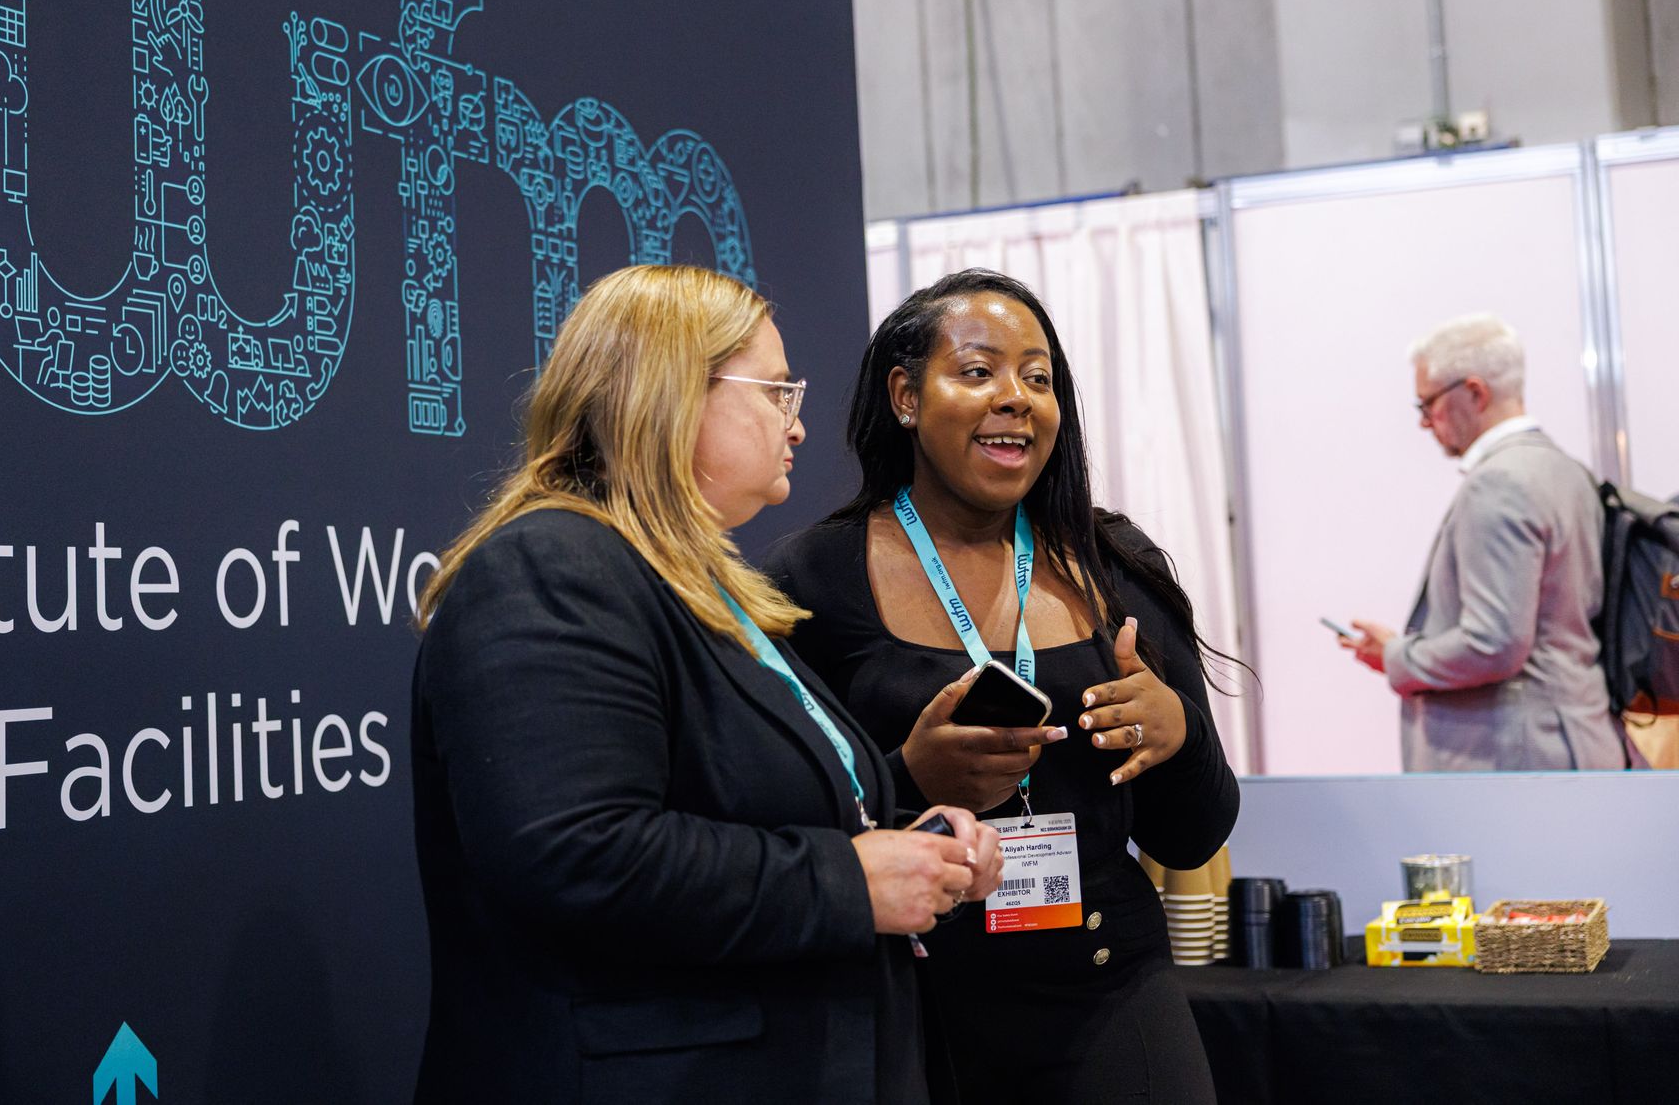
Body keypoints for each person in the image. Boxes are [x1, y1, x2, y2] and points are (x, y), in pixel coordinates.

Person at [409, 264, 1004, 1105]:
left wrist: (918, 845)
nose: (798, 424)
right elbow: (578, 855)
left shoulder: (699, 585)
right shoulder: (549, 567)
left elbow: (743, 809)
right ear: (672, 396)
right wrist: (847, 880)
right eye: (777, 392)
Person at [767, 268, 1239, 1105]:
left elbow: (1192, 836)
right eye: (979, 371)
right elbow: (776, 828)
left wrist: (1179, 734)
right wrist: (912, 779)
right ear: (906, 397)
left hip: (1109, 994)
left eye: (1038, 378)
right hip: (908, 1009)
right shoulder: (810, 580)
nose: (1016, 398)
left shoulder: (1114, 564)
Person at [1338, 312, 1625, 771]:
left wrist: (1395, 655)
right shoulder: (1566, 471)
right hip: (1570, 740)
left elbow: (1494, 644)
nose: (1424, 423)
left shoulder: (1499, 482)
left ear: (1474, 392)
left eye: (1427, 403)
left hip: (1519, 757)